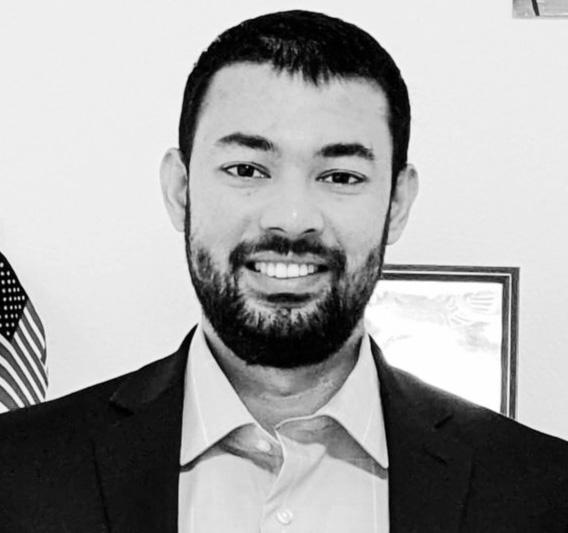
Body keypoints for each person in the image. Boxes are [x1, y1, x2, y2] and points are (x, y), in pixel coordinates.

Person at [0, 9, 567, 532]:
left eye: (341, 176)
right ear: (180, 190)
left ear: (397, 204)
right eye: (247, 169)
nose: (292, 219)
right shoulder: (16, 471)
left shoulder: (545, 491)